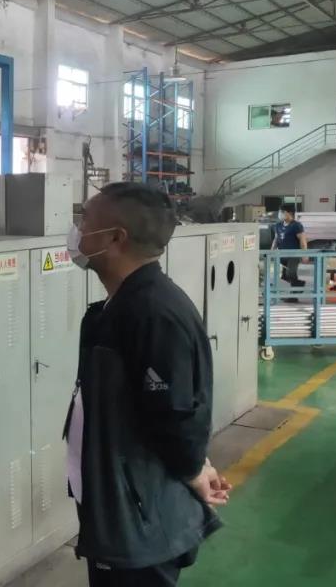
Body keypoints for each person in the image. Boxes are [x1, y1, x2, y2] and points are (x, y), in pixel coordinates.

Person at [64, 182, 231, 587]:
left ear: (115, 238)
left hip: (138, 519)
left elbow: (175, 413)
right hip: (121, 507)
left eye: (85, 220)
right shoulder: (123, 306)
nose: (76, 231)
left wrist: (194, 469)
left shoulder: (153, 313)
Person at [270, 205, 307, 288]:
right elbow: (276, 239)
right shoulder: (278, 225)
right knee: (283, 276)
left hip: (293, 255)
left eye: (283, 212)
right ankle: (295, 287)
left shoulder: (296, 225)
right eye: (280, 212)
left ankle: (297, 289)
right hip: (281, 254)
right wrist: (271, 251)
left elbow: (302, 241)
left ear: (289, 213)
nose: (280, 214)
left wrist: (304, 254)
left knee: (290, 273)